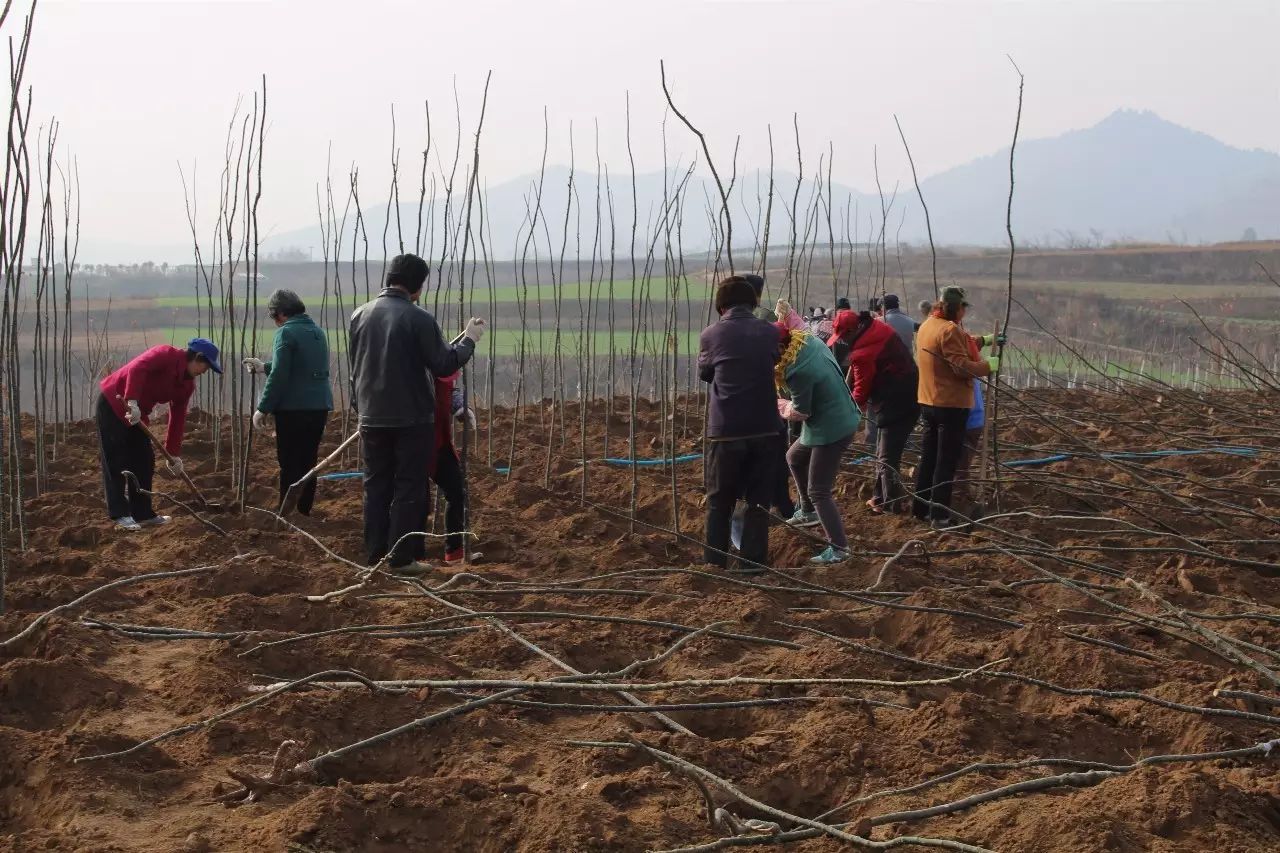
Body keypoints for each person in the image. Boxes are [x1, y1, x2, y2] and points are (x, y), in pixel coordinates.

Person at [350, 253, 484, 573]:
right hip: (411, 419)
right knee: (410, 486)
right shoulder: (418, 317)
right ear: (418, 287)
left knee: (377, 484)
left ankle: (376, 554)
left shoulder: (359, 315)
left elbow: (354, 369)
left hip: (371, 415)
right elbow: (444, 364)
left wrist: (361, 407)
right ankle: (401, 558)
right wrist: (468, 341)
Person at [698, 275, 783, 573]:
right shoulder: (770, 332)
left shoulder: (711, 334)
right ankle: (752, 568)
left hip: (726, 430)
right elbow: (773, 360)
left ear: (721, 307)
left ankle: (714, 566)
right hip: (765, 428)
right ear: (754, 303)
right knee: (757, 503)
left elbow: (706, 373)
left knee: (720, 502)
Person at [96, 338, 222, 530]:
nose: (205, 372)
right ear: (197, 357)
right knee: (116, 459)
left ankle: (143, 514)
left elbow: (178, 416)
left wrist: (173, 453)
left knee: (144, 460)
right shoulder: (165, 355)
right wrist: (132, 402)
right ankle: (120, 515)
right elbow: (137, 369)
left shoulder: (187, 385)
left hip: (138, 415)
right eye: (206, 366)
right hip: (115, 402)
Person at [913, 286, 999, 529]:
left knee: (929, 457)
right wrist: (987, 367)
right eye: (963, 308)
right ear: (956, 308)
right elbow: (960, 366)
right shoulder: (950, 330)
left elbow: (958, 346)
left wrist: (984, 340)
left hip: (928, 401)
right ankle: (939, 516)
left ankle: (920, 508)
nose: (964, 313)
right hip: (950, 404)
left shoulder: (928, 325)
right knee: (946, 461)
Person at [243, 290, 333, 516]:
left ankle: (286, 513)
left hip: (294, 410)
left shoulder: (286, 333)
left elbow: (282, 374)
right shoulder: (317, 332)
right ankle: (303, 511)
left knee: (289, 462)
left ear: (281, 314)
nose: (276, 323)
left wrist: (263, 408)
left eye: (275, 318)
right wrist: (264, 367)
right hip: (319, 406)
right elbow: (299, 366)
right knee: (308, 460)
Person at [777, 321, 861, 564]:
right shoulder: (809, 341)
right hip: (840, 414)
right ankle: (808, 512)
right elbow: (794, 321)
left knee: (819, 490)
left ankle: (839, 548)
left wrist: (781, 406)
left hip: (832, 428)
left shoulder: (796, 371)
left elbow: (802, 412)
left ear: (781, 349)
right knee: (794, 457)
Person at [833, 310, 919, 514]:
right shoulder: (876, 327)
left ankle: (890, 505)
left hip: (897, 402)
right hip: (908, 394)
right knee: (884, 453)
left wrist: (846, 413)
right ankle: (879, 498)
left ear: (853, 330)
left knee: (887, 456)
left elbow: (861, 392)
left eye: (844, 336)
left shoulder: (864, 353)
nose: (843, 341)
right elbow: (857, 374)